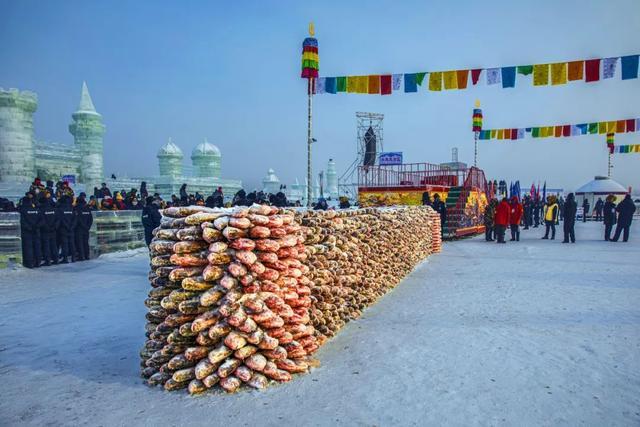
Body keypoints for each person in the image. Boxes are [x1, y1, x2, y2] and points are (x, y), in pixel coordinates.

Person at [19, 192, 42, 268]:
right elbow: (41, 220)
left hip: (27, 231)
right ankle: (38, 262)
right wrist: (36, 227)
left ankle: (29, 263)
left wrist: (29, 227)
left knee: (28, 247)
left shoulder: (23, 209)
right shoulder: (37, 208)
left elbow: (22, 221)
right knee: (37, 246)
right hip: (36, 230)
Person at [39, 191, 59, 266]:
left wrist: (46, 227)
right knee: (54, 245)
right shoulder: (54, 209)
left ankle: (48, 260)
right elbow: (57, 219)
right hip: (53, 230)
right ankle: (56, 259)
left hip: (45, 230)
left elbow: (42, 220)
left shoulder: (41, 209)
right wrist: (54, 227)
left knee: (46, 245)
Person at [56, 195, 76, 263]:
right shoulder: (71, 208)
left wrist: (67, 226)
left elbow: (61, 219)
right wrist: (71, 227)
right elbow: (74, 219)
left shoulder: (60, 208)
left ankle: (65, 258)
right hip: (71, 229)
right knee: (72, 243)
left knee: (65, 244)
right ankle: (73, 258)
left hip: (63, 229)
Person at [74, 193, 93, 261]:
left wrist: (83, 226)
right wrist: (87, 227)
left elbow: (78, 219)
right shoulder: (87, 209)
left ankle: (81, 256)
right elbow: (91, 219)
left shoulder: (77, 208)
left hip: (79, 228)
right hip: (86, 229)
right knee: (85, 242)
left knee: (80, 243)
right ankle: (87, 255)